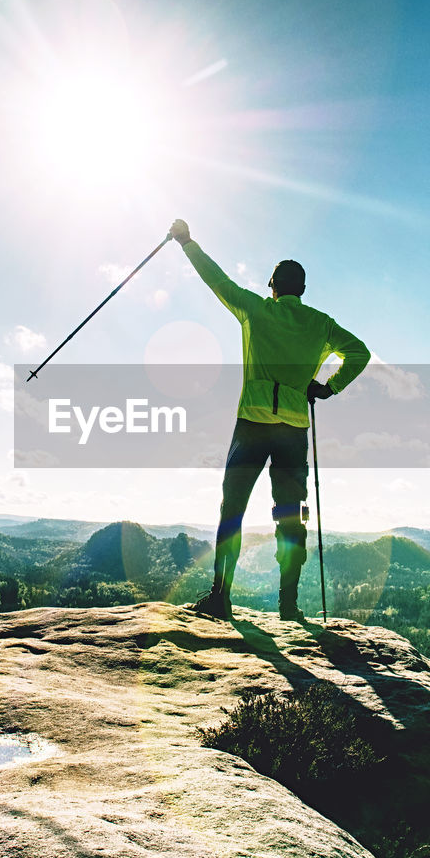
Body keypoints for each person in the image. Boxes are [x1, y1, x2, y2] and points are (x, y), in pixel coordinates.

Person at [169, 218, 369, 621]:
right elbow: (359, 353)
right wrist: (327, 387)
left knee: (233, 510)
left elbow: (217, 280)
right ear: (304, 290)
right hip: (293, 430)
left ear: (272, 287)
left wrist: (187, 242)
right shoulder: (321, 324)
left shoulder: (255, 309)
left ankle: (220, 597)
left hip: (253, 426)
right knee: (289, 515)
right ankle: (289, 605)